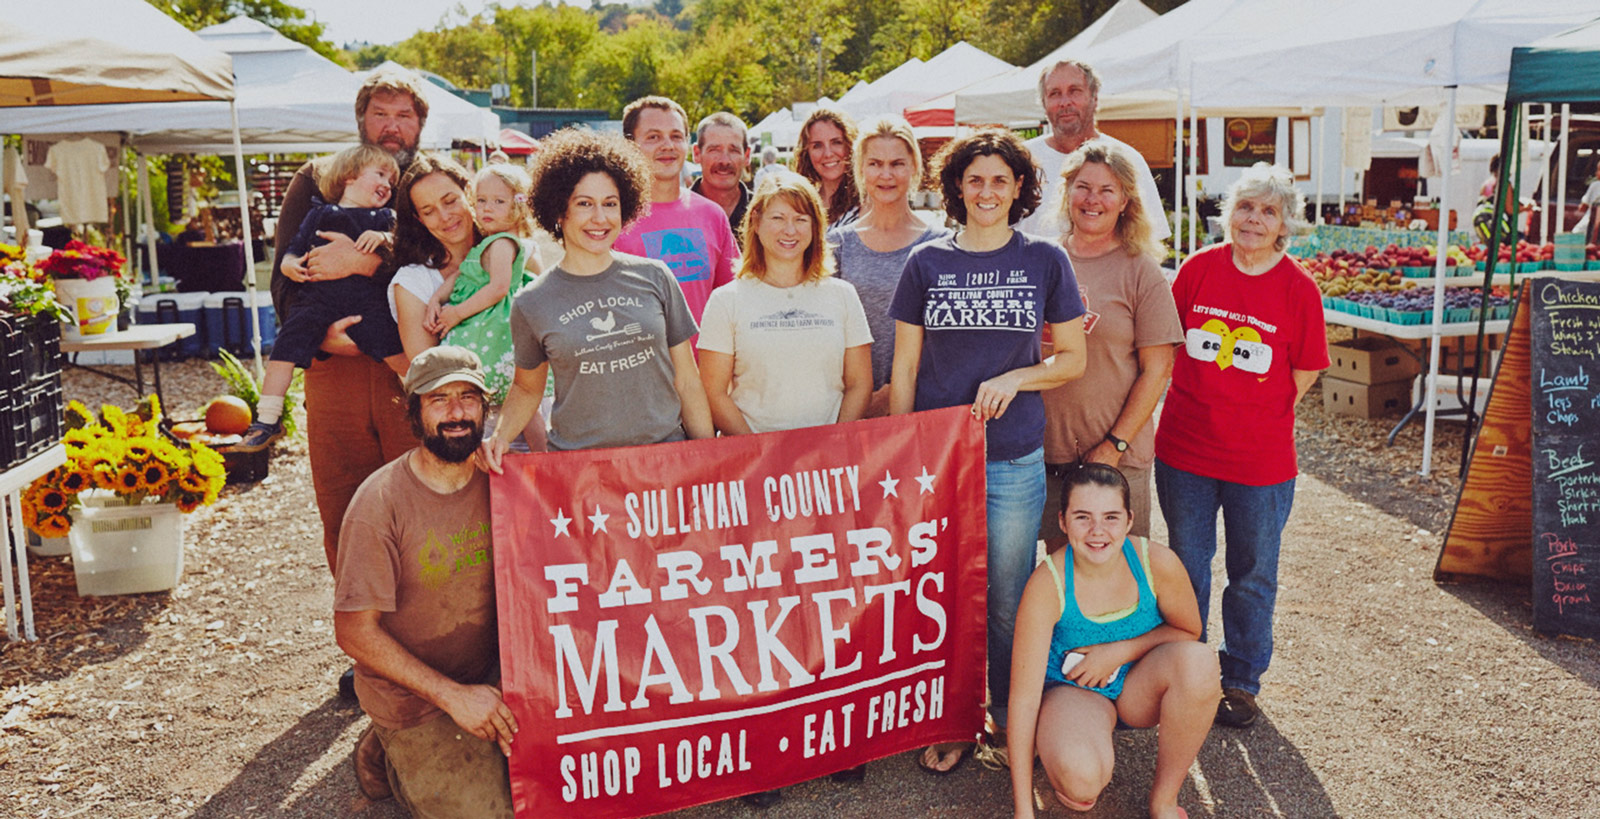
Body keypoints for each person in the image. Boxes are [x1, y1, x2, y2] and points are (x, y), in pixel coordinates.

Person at [890, 128, 1087, 774]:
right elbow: (908, 366)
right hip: (937, 458)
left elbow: (1072, 360)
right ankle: (951, 718)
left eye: (1000, 180)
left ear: (1020, 188)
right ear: (956, 186)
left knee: (1004, 597)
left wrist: (1015, 377)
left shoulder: (1046, 259)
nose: (987, 191)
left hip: (1010, 458)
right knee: (939, 591)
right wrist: (900, 453)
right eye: (975, 179)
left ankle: (999, 716)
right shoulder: (925, 263)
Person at [269, 66, 430, 701]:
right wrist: (323, 334)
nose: (393, 127)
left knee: (419, 502)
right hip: (334, 368)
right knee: (344, 502)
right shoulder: (316, 177)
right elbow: (283, 272)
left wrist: (367, 257)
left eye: (405, 116)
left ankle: (427, 643)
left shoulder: (430, 182)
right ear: (362, 119)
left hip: (404, 363)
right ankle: (367, 650)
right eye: (381, 113)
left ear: (421, 125)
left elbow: (447, 254)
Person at [1154, 162, 1329, 730]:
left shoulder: (1299, 289)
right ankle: (1189, 670)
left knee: (1252, 572)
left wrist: (1251, 412)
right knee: (1188, 564)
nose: (1254, 219)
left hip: (1261, 459)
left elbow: (1303, 372)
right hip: (1185, 451)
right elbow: (1171, 345)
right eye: (1245, 207)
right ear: (1228, 213)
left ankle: (1241, 680)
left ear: (1284, 224)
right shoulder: (1198, 270)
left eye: (1268, 211)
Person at [333, 345, 515, 816]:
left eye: (468, 398)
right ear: (413, 412)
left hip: (496, 674)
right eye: (438, 400)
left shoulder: (506, 481)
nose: (456, 413)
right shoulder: (380, 503)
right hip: (414, 697)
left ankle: (386, 746)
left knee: (560, 784)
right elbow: (354, 631)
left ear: (485, 407)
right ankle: (391, 745)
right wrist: (453, 697)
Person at [479, 128, 715, 467]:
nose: (600, 218)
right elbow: (528, 388)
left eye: (610, 204)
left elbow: (688, 380)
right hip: (583, 473)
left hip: (665, 462)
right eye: (584, 204)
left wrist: (708, 455)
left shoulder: (656, 276)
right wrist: (500, 438)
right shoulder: (532, 301)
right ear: (560, 211)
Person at [1008, 464, 1218, 819]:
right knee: (1082, 783)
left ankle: (1164, 800)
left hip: (1139, 687)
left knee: (1199, 663)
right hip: (1074, 690)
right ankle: (1073, 744)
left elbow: (1188, 631)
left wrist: (1118, 652)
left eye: (1110, 517)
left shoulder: (1157, 563)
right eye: (1082, 517)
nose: (1097, 531)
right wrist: (1023, 811)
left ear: (1128, 519)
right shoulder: (1049, 583)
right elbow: (1024, 700)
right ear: (1061, 521)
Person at [1038, 140, 1182, 547]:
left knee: (1119, 575)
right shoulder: (1043, 261)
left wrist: (1114, 445)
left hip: (1117, 460)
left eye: (1107, 190)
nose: (1093, 200)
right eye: (1083, 187)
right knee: (1058, 575)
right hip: (1044, 456)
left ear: (1125, 201)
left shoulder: (1141, 271)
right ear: (1066, 193)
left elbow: (1158, 370)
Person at [241, 145, 408, 450]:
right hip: (318, 302)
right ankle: (267, 417)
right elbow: (294, 248)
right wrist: (290, 264)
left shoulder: (386, 217)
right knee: (285, 347)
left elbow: (406, 247)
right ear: (349, 176)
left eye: (392, 180)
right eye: (381, 174)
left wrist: (386, 238)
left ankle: (424, 393)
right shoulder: (319, 213)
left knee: (395, 350)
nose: (388, 184)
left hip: (367, 303)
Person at [699, 172, 872, 434]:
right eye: (778, 218)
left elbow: (859, 384)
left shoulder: (843, 295)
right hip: (755, 461)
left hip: (829, 461)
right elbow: (714, 393)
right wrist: (760, 451)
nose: (790, 230)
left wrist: (835, 442)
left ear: (816, 226)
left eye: (801, 219)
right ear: (756, 222)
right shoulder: (726, 301)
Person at [828, 116, 951, 417]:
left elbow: (945, 338)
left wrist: (895, 393)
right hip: (851, 408)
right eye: (875, 164)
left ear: (914, 168)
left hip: (921, 406)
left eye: (897, 163)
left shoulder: (941, 244)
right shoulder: (837, 244)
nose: (886, 174)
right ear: (860, 169)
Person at [614, 96, 739, 324]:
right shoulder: (612, 219)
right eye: (653, 137)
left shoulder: (712, 215)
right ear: (630, 146)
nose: (668, 146)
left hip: (706, 359)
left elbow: (734, 301)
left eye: (676, 136)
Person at [1018, 60, 1170, 243]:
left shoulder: (1127, 159)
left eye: (1075, 91)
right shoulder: (1021, 160)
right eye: (1054, 94)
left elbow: (1149, 239)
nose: (1065, 102)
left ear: (1094, 97)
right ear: (1044, 103)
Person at [423, 162, 540, 401]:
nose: (488, 208)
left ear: (517, 207)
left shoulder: (502, 244)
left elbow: (498, 287)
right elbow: (461, 275)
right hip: (481, 331)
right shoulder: (488, 242)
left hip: (493, 331)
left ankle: (537, 440)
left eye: (499, 202)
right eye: (482, 200)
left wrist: (456, 313)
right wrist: (437, 298)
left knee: (517, 399)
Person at [795, 107, 862, 228]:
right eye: (817, 145)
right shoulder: (801, 203)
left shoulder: (868, 202)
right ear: (807, 153)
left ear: (851, 145)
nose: (828, 154)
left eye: (836, 142)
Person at [690, 112, 754, 235]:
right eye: (714, 150)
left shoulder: (764, 213)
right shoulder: (676, 212)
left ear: (747, 156)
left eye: (734, 150)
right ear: (697, 153)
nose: (724, 161)